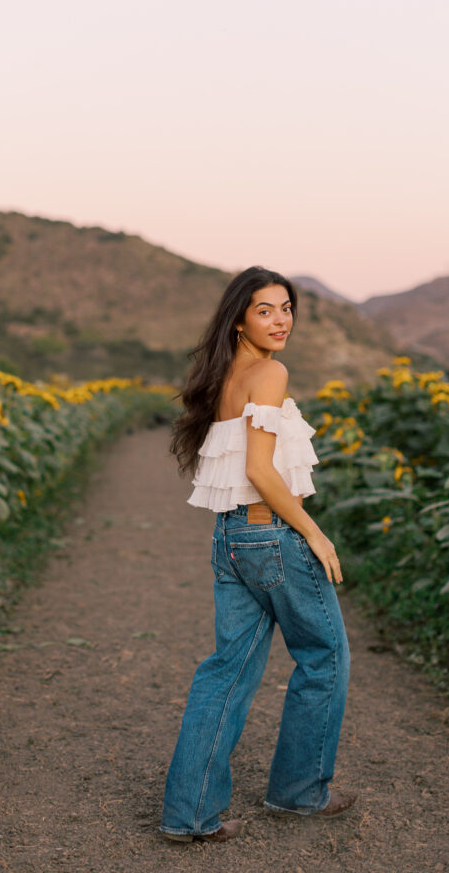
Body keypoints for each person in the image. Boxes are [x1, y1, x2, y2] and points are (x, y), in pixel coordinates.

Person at [159, 266, 355, 843]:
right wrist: (315, 534)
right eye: (265, 309)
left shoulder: (225, 376)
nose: (281, 320)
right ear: (240, 318)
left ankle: (188, 815)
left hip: (230, 537)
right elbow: (259, 471)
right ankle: (298, 794)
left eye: (287, 307)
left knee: (226, 671)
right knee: (325, 658)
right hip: (272, 536)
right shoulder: (269, 373)